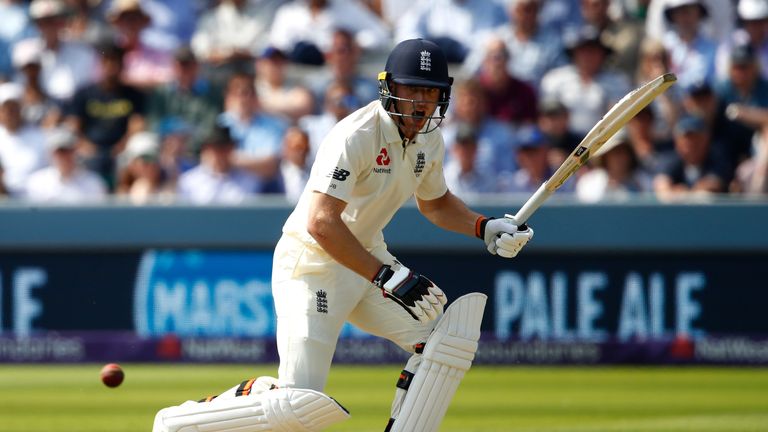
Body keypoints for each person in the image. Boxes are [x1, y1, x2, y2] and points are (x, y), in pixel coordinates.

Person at [153, 38, 534, 432]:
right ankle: (181, 422)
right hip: (312, 266)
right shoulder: (356, 135)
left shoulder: (429, 140)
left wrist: (484, 226)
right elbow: (321, 222)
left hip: (366, 260)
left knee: (442, 342)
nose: (422, 102)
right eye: (412, 89)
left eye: (431, 91)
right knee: (298, 406)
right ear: (389, 88)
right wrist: (387, 276)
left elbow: (435, 203)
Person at [24, 127, 108, 202]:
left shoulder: (94, 183)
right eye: (60, 152)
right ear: (51, 154)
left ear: (75, 152)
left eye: (68, 151)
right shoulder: (36, 182)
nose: (64, 157)